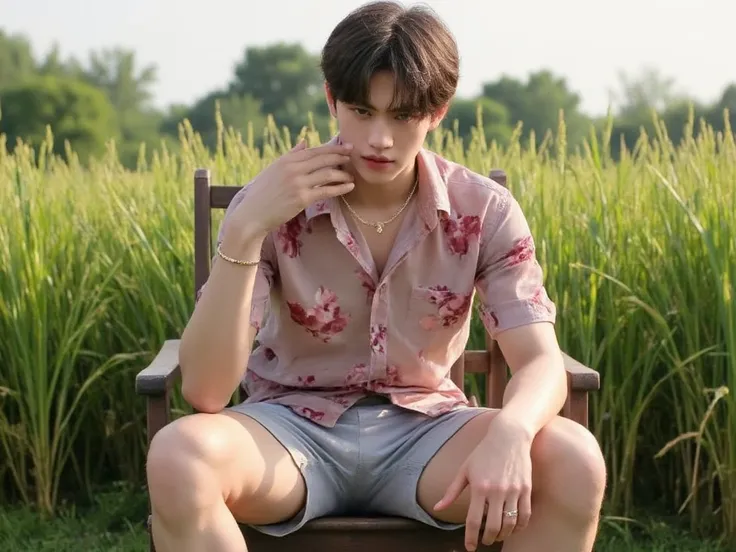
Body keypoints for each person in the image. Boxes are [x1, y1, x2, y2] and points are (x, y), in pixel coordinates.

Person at [145, 2, 607, 551]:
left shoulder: (483, 210)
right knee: (178, 455)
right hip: (286, 432)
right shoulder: (273, 206)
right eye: (362, 112)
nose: (379, 139)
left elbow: (539, 360)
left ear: (438, 111)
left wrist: (511, 429)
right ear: (331, 99)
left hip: (430, 434)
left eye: (402, 115)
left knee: (574, 459)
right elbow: (205, 390)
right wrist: (244, 229)